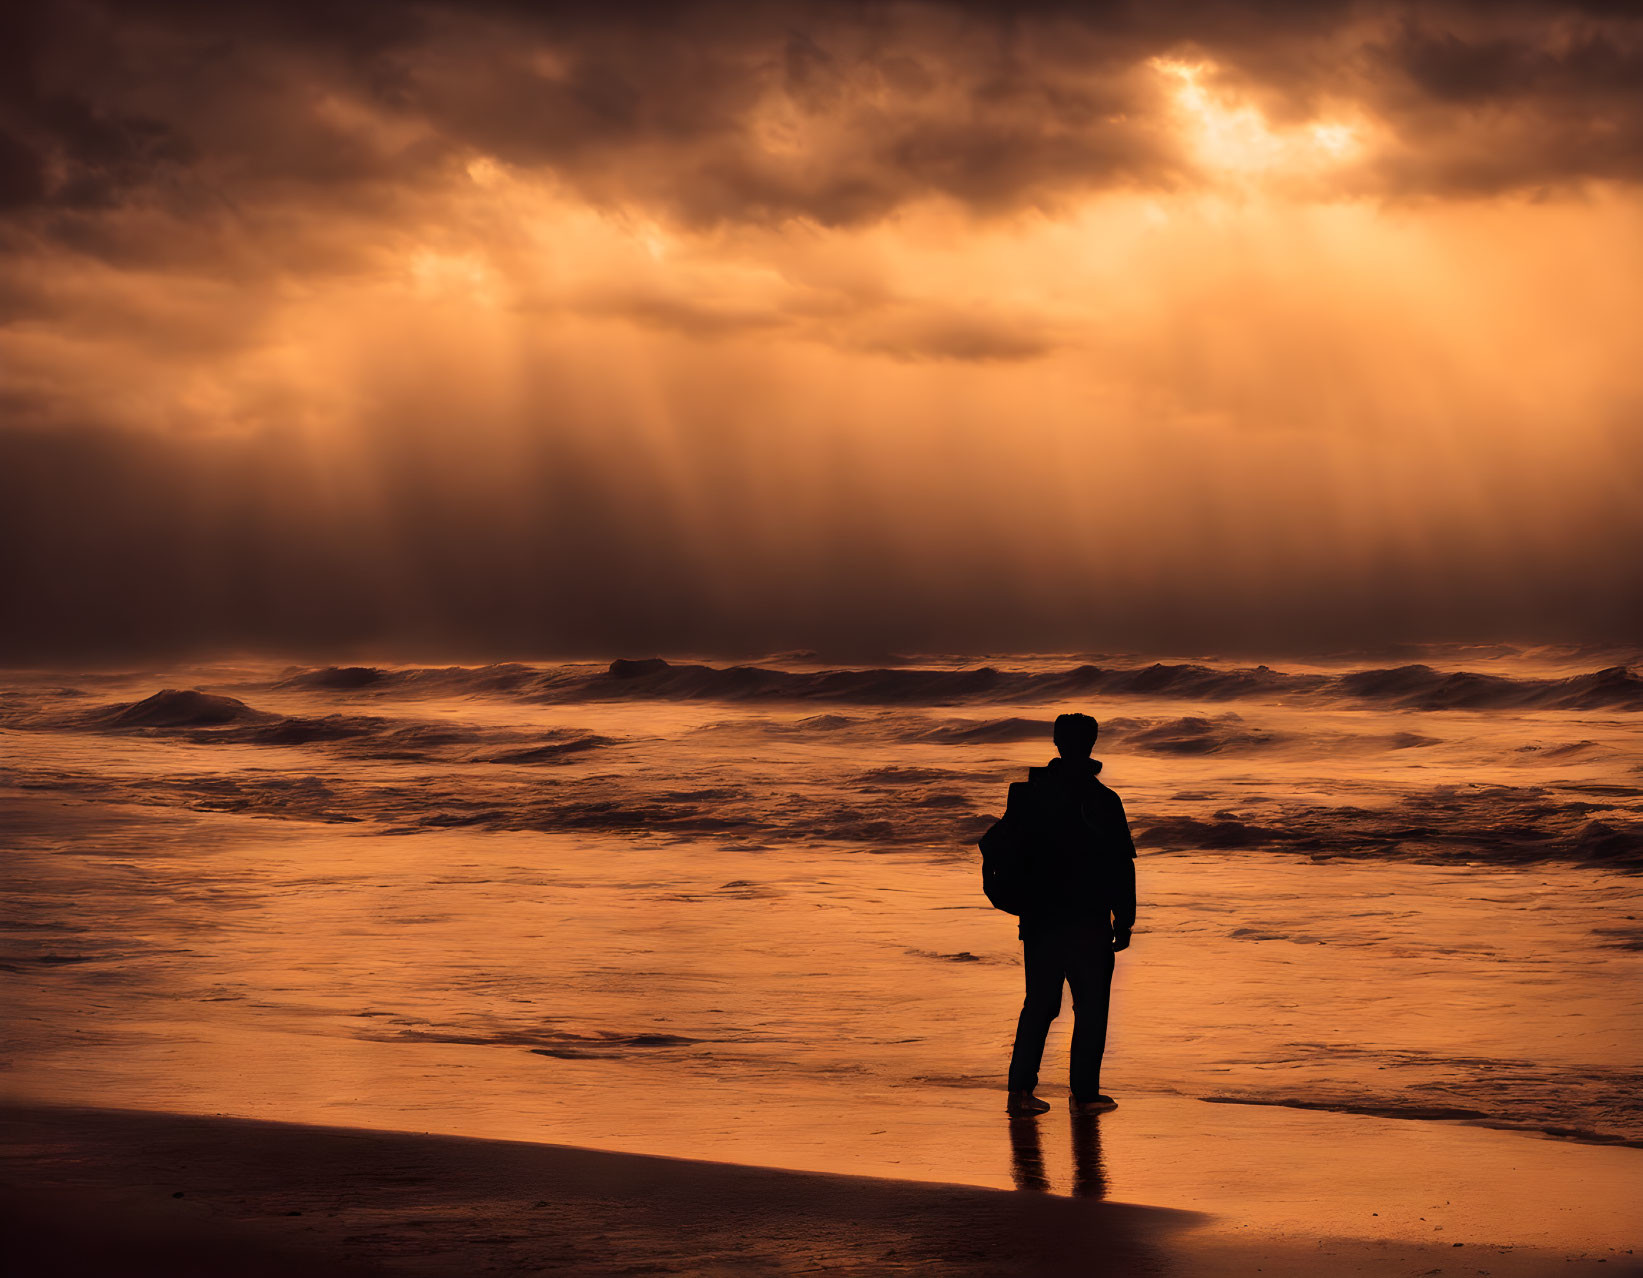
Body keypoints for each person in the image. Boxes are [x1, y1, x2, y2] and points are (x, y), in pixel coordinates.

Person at [1003, 712, 1136, 1118]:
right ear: (1091, 744)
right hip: (1086, 919)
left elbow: (1007, 852)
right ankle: (1084, 1094)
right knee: (1091, 1007)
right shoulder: (1103, 799)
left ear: (1057, 743)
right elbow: (1121, 864)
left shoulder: (1028, 795)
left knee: (1040, 1005)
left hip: (1041, 918)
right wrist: (1124, 918)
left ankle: (1021, 1093)